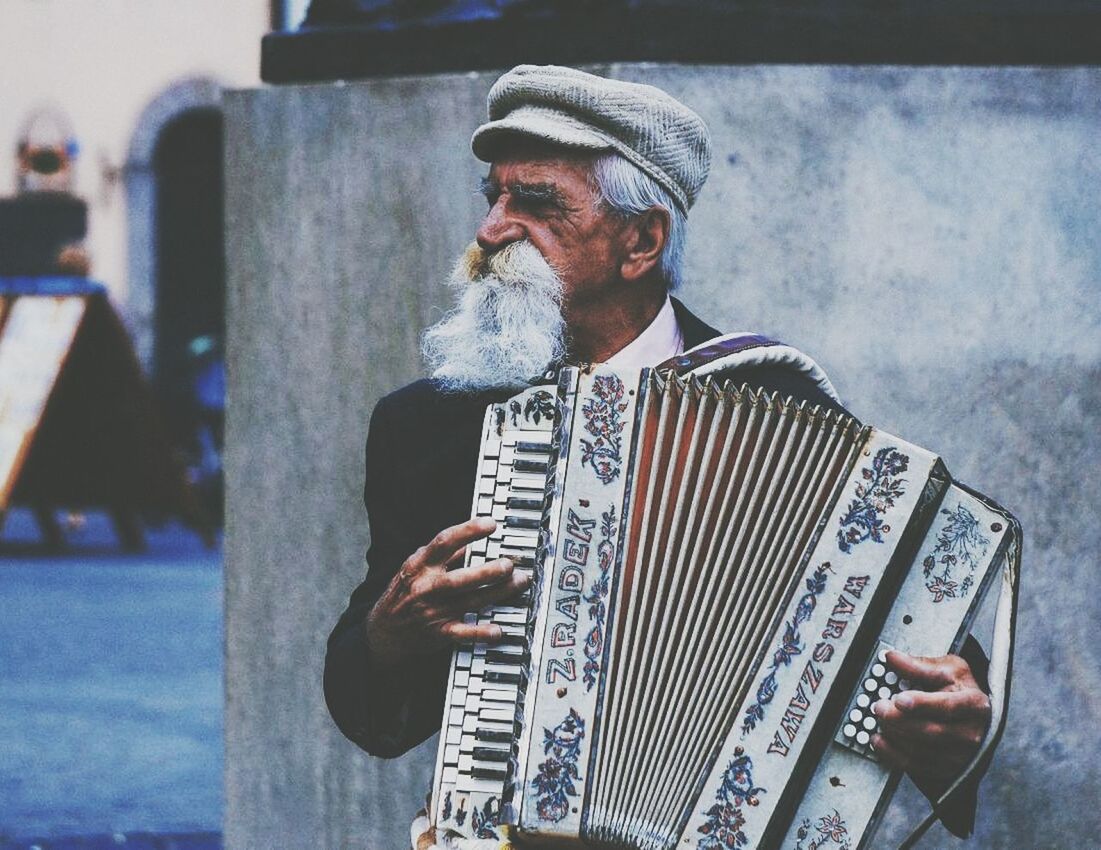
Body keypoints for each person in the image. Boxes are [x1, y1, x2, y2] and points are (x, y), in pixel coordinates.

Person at [324, 64, 992, 839]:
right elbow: (367, 706)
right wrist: (388, 633)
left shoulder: (776, 406)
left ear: (640, 242)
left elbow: (921, 646)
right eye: (494, 197)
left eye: (535, 204)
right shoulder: (431, 424)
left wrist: (952, 709)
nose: (491, 229)